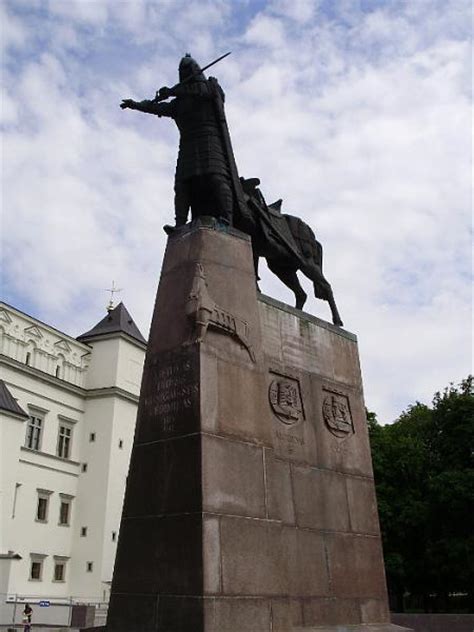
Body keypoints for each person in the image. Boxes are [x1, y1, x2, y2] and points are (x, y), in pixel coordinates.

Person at [121, 54, 239, 229]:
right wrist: (135, 104)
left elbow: (201, 91)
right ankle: (180, 225)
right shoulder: (178, 104)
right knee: (182, 185)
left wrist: (171, 91)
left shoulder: (210, 88)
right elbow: (154, 107)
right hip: (188, 145)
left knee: (216, 179)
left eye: (189, 70)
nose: (186, 73)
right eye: (183, 71)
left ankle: (226, 219)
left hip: (210, 141)